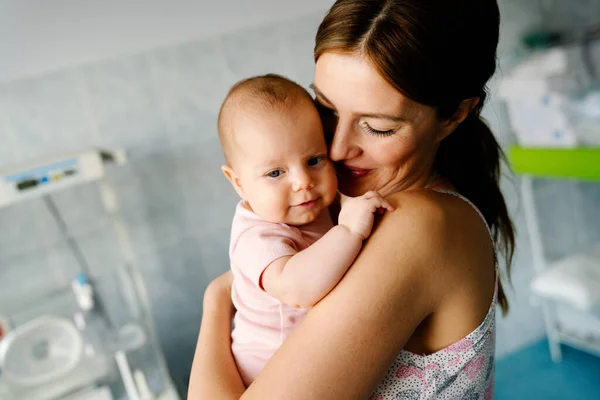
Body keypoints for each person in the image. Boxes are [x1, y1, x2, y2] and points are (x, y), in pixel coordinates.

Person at [188, 0, 515, 398]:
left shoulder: (417, 226)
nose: (338, 149)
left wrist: (217, 300)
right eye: (325, 110)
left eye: (377, 128)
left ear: (453, 116)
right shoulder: (355, 208)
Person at [216, 74, 393, 386]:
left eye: (314, 160)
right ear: (238, 182)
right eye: (275, 172)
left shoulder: (314, 207)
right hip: (266, 377)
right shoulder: (256, 236)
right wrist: (349, 231)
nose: (303, 182)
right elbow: (296, 289)